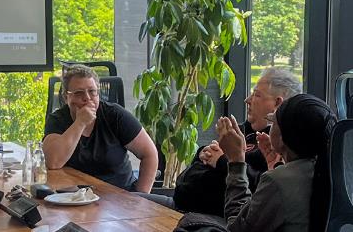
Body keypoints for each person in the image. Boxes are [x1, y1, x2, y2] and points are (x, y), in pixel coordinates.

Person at [166, 67, 301, 215]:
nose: (247, 100)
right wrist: (203, 153)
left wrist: (223, 161)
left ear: (277, 104)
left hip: (215, 219)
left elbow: (262, 187)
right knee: (136, 202)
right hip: (181, 206)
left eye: (256, 95)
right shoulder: (241, 132)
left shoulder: (279, 147)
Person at [215, 94, 337, 231]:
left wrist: (236, 161)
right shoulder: (335, 171)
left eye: (273, 122)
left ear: (281, 138)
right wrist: (279, 166)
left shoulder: (279, 181)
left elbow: (236, 228)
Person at [42, 64, 158, 193]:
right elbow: (53, 162)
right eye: (78, 93)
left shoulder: (115, 115)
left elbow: (149, 154)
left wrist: (140, 197)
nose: (87, 97)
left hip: (119, 197)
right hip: (76, 199)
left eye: (92, 91)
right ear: (66, 97)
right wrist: (80, 123)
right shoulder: (58, 120)